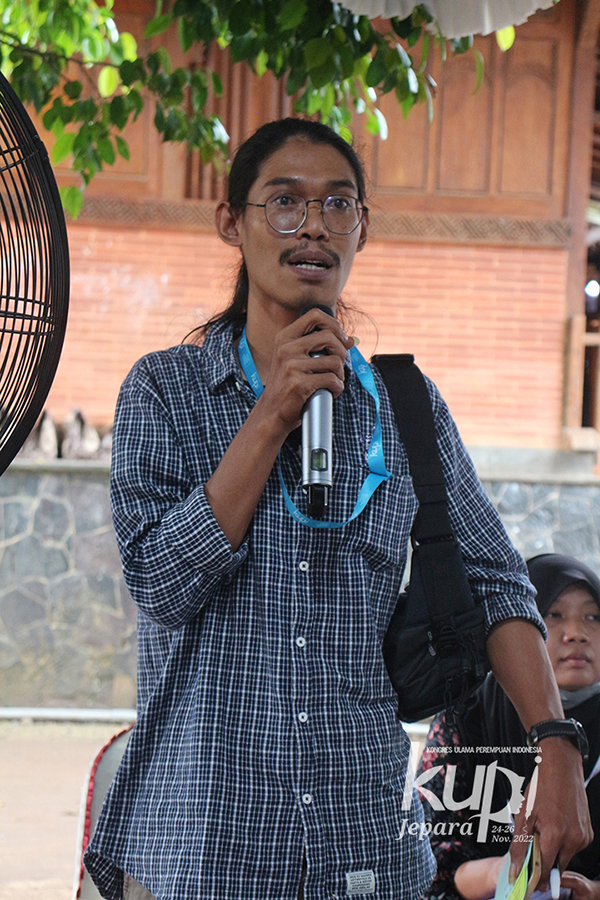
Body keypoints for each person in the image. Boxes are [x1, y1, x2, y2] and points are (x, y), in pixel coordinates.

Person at [83, 118, 591, 900]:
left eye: (338, 204)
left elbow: (499, 583)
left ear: (362, 227)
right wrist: (271, 415)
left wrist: (555, 742)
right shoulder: (165, 391)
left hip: (365, 848)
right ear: (232, 222)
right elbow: (160, 582)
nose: (314, 225)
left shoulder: (406, 408)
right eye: (285, 202)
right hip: (201, 848)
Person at [417, 553, 600, 900]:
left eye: (593, 616)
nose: (576, 634)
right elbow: (427, 859)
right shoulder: (467, 716)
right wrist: (504, 872)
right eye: (553, 614)